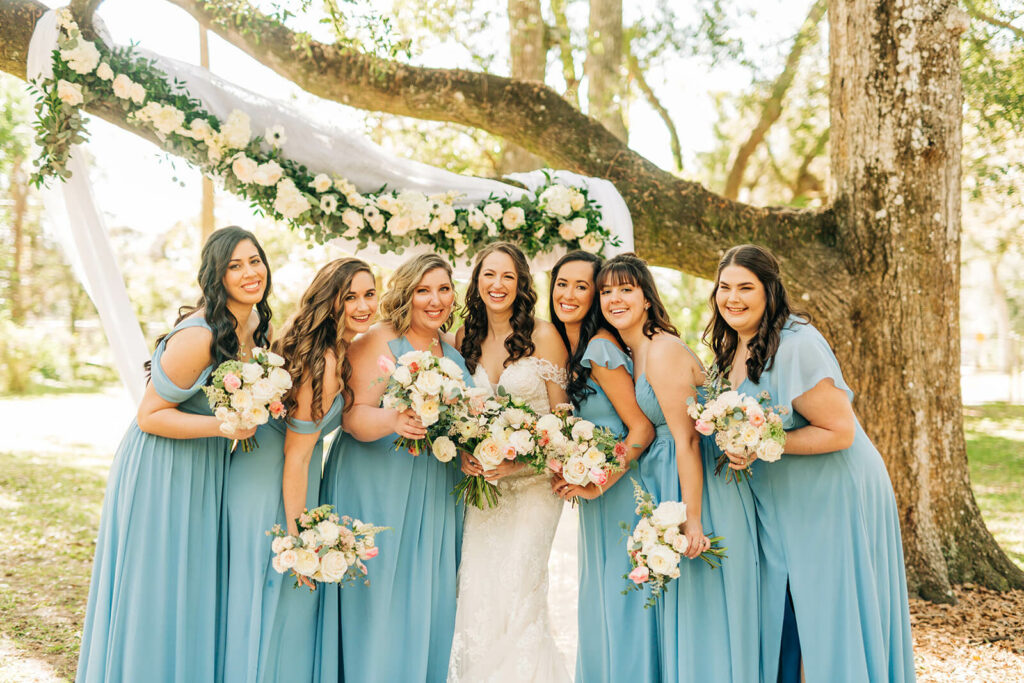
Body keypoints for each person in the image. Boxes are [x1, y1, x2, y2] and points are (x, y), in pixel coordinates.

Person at [708, 244, 915, 683]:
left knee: (826, 614)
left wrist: (762, 441)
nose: (733, 298)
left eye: (746, 287)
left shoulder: (797, 344)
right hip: (785, 499)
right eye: (725, 287)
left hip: (832, 491)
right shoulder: (730, 349)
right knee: (791, 615)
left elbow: (839, 431)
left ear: (770, 292)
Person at [76, 227, 271, 683]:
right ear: (216, 276)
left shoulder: (253, 330)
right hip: (162, 467)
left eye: (255, 261)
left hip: (203, 466)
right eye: (235, 266)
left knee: (191, 589)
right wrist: (225, 427)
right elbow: (149, 414)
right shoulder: (200, 334)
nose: (249, 273)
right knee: (158, 588)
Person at [596, 253, 760, 682]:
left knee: (702, 608)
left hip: (699, 487)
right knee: (683, 608)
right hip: (670, 480)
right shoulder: (634, 350)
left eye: (625, 289)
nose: (615, 298)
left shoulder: (662, 351)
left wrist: (693, 520)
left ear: (647, 297)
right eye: (606, 291)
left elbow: (687, 440)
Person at [316, 253, 472, 683]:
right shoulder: (378, 341)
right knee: (379, 597)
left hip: (434, 489)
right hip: (377, 485)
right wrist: (393, 419)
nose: (435, 299)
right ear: (406, 293)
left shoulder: (450, 349)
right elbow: (350, 416)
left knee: (425, 597)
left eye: (443, 289)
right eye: (424, 290)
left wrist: (469, 453)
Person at [219, 258, 377, 683]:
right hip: (274, 480)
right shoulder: (323, 359)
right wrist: (300, 540)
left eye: (369, 294)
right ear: (331, 302)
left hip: (272, 471)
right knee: (277, 596)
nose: (363, 306)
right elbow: (298, 455)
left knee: (266, 600)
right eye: (350, 297)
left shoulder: (324, 344)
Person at [448, 242, 571, 682]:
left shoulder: (544, 336)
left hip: (535, 486)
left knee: (520, 587)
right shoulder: (459, 339)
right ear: (476, 281)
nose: (497, 285)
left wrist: (521, 464)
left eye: (507, 277)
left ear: (521, 285)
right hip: (483, 490)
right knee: (478, 590)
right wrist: (463, 451)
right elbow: (448, 414)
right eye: (489, 275)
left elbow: (564, 424)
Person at [547, 251, 657, 682]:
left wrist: (601, 480)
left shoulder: (601, 346)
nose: (569, 294)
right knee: (602, 599)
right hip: (597, 489)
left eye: (582, 286)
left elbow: (641, 428)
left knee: (623, 599)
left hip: (621, 489)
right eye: (561, 283)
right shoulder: (567, 347)